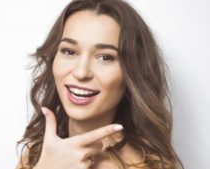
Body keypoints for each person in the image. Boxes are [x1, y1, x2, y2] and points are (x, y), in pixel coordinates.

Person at [16, 0, 183, 168]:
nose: (81, 73)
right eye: (69, 51)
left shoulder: (145, 165)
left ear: (132, 73)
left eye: (105, 57)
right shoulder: (37, 154)